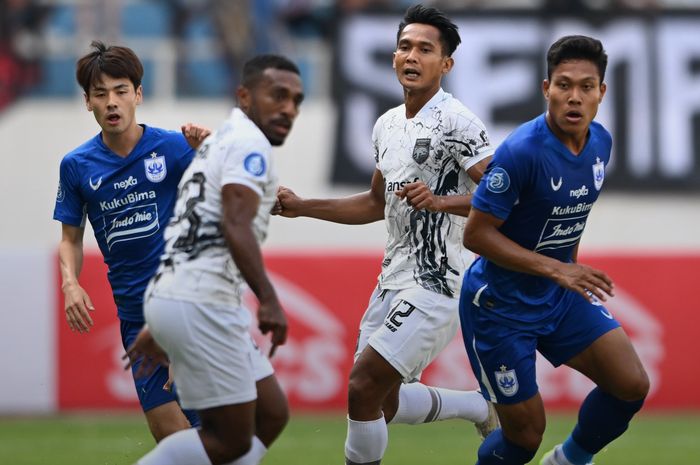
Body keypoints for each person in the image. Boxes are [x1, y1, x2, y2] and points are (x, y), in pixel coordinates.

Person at [274, 5, 498, 464]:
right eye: (404, 46)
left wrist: (440, 200)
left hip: (437, 284)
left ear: (446, 64)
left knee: (361, 387)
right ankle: (477, 405)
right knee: (382, 402)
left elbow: (503, 197)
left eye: (424, 49)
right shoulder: (387, 124)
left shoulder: (458, 123)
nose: (411, 55)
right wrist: (302, 207)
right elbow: (377, 204)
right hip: (391, 280)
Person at [458, 35, 649, 465]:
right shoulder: (521, 151)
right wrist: (559, 270)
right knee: (524, 438)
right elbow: (476, 235)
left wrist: (568, 270)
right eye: (564, 85)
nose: (574, 97)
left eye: (586, 86)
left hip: (557, 296)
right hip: (499, 306)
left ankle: (568, 460)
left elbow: (570, 216)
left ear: (602, 92)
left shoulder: (600, 142)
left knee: (631, 384)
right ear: (547, 89)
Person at [125, 54, 304, 465]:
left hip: (182, 294)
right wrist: (271, 301)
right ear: (244, 96)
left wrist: (166, 317)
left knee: (272, 413)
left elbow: (193, 225)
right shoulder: (249, 145)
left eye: (296, 100)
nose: (289, 109)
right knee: (231, 440)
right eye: (277, 95)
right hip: (200, 300)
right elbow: (235, 224)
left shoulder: (220, 142)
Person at [53, 40, 208, 442]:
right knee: (174, 443)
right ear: (87, 102)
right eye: (100, 94)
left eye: (121, 90)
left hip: (184, 306)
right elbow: (70, 237)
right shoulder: (76, 166)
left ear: (137, 94)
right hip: (135, 320)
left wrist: (211, 147)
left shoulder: (173, 148)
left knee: (214, 444)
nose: (112, 102)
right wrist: (70, 283)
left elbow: (226, 198)